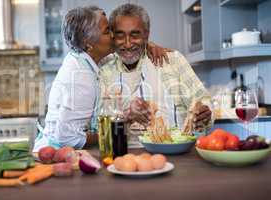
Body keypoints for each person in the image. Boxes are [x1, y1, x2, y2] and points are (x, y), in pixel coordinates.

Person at [33, 6, 169, 152]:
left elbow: (129, 45)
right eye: (107, 31)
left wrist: (146, 44)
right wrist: (114, 130)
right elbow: (68, 138)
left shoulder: (83, 59)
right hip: (55, 156)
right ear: (88, 43)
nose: (113, 36)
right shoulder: (81, 76)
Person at [98, 4, 213, 137]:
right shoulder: (104, 69)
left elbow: (202, 98)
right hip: (126, 154)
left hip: (177, 152)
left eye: (135, 35)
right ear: (112, 36)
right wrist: (127, 115)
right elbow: (99, 122)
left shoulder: (172, 60)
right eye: (120, 36)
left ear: (146, 35)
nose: (128, 44)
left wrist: (204, 113)